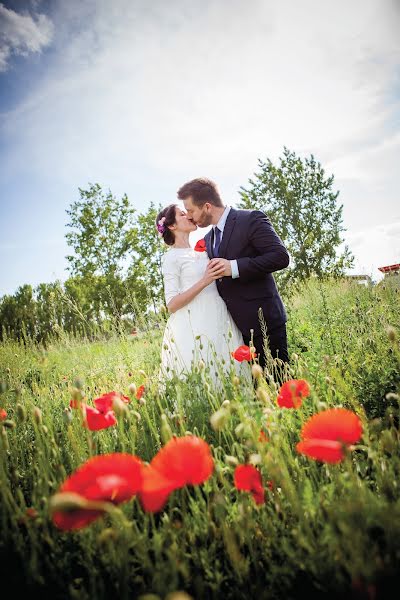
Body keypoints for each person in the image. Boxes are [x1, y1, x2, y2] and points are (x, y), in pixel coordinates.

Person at [177, 177, 290, 379]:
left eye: (192, 210)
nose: (190, 217)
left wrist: (235, 267)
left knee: (281, 386)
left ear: (207, 206)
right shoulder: (208, 239)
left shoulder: (251, 219)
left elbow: (280, 257)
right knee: (259, 393)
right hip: (235, 333)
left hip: (265, 323)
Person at [156, 203, 249, 383]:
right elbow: (172, 304)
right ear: (172, 226)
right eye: (182, 214)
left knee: (230, 368)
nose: (189, 215)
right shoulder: (171, 258)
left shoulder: (203, 249)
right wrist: (205, 280)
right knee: (206, 371)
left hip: (220, 315)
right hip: (196, 323)